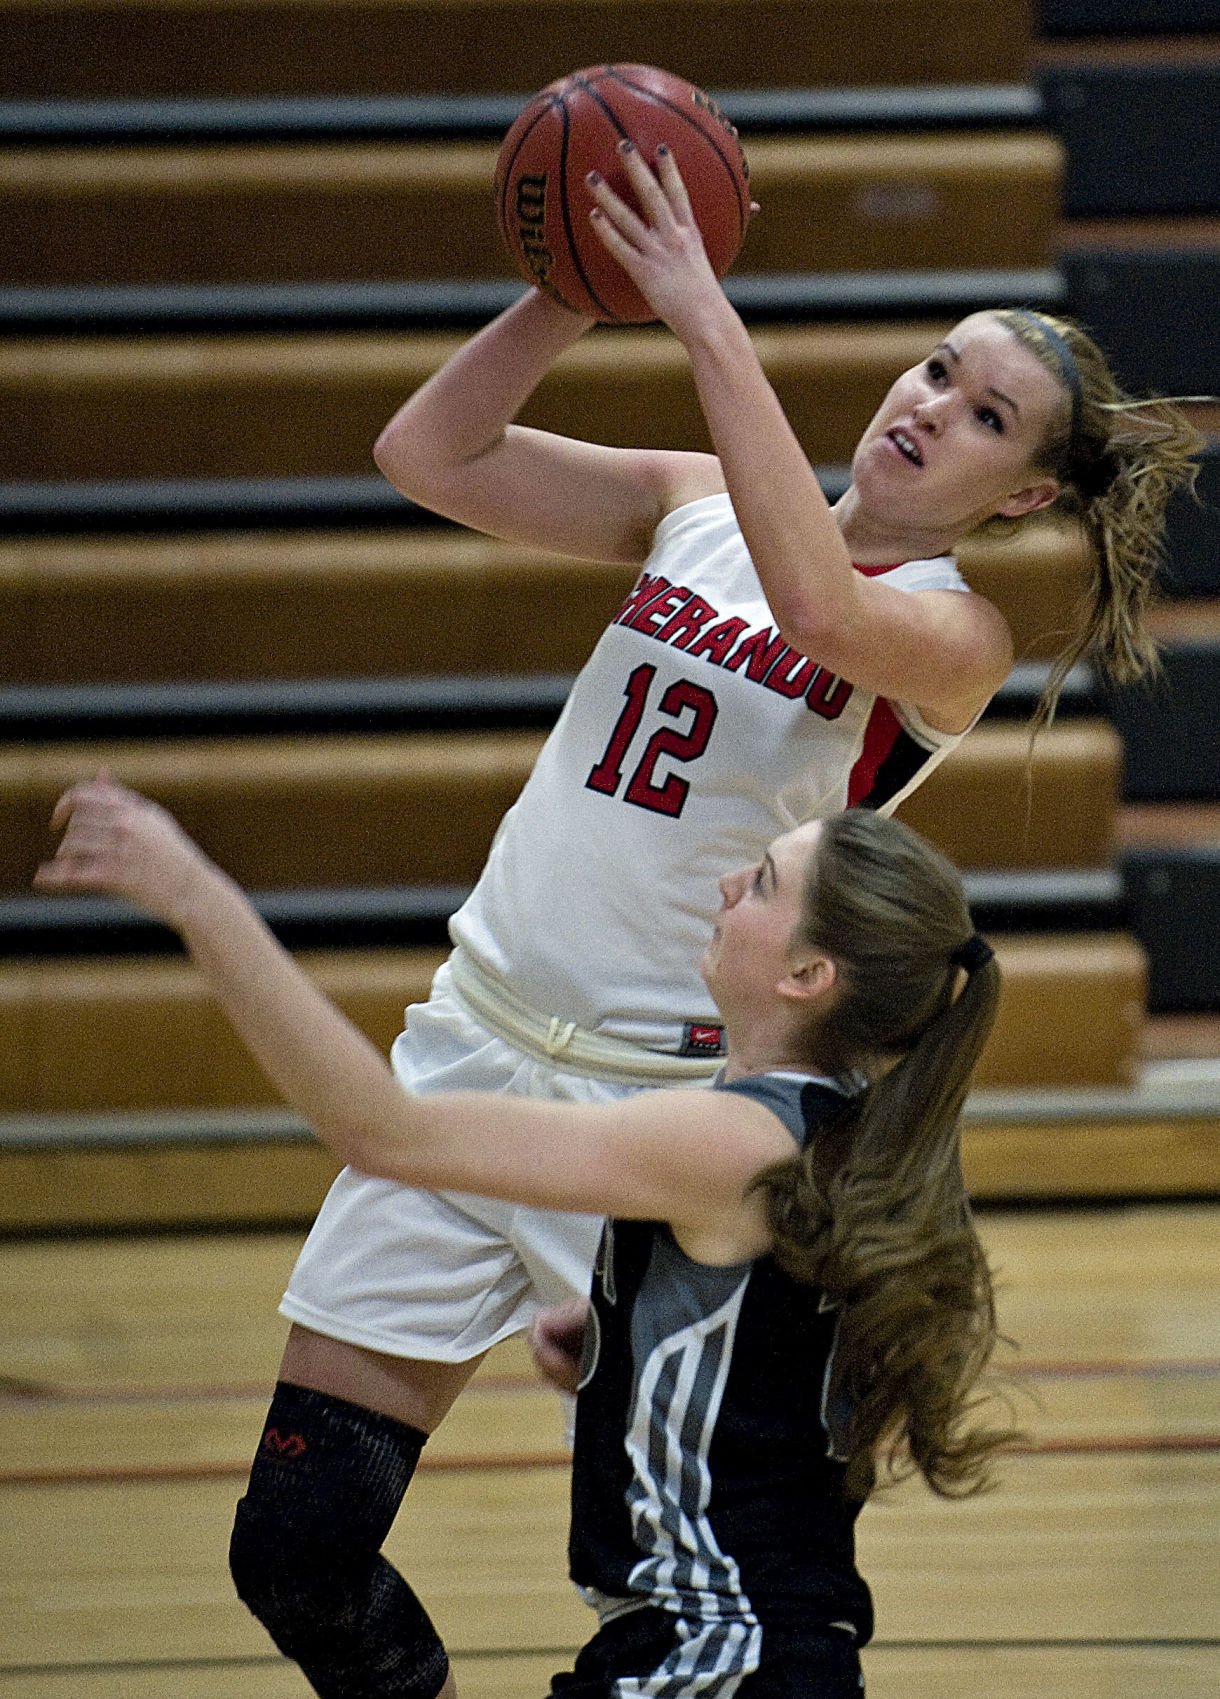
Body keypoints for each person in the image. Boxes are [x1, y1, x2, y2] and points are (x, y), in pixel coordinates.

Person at [95, 144, 1210, 1696]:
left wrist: (698, 309)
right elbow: (428, 450)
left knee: (685, 1554)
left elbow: (818, 606)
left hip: (653, 1115)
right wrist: (571, 294)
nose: (929, 403)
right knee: (292, 1539)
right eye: (939, 365)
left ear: (1022, 490)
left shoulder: (951, 634)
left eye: (983, 415)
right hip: (469, 1045)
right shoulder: (691, 507)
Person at [36, 778, 1011, 1698]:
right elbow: (774, 1369)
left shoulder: (730, 1141)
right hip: (756, 1656)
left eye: (758, 881)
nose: (723, 882)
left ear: (808, 973)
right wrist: (620, 1345)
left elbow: (382, 1131)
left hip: (709, 1663)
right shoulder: (838, 1124)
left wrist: (192, 892)